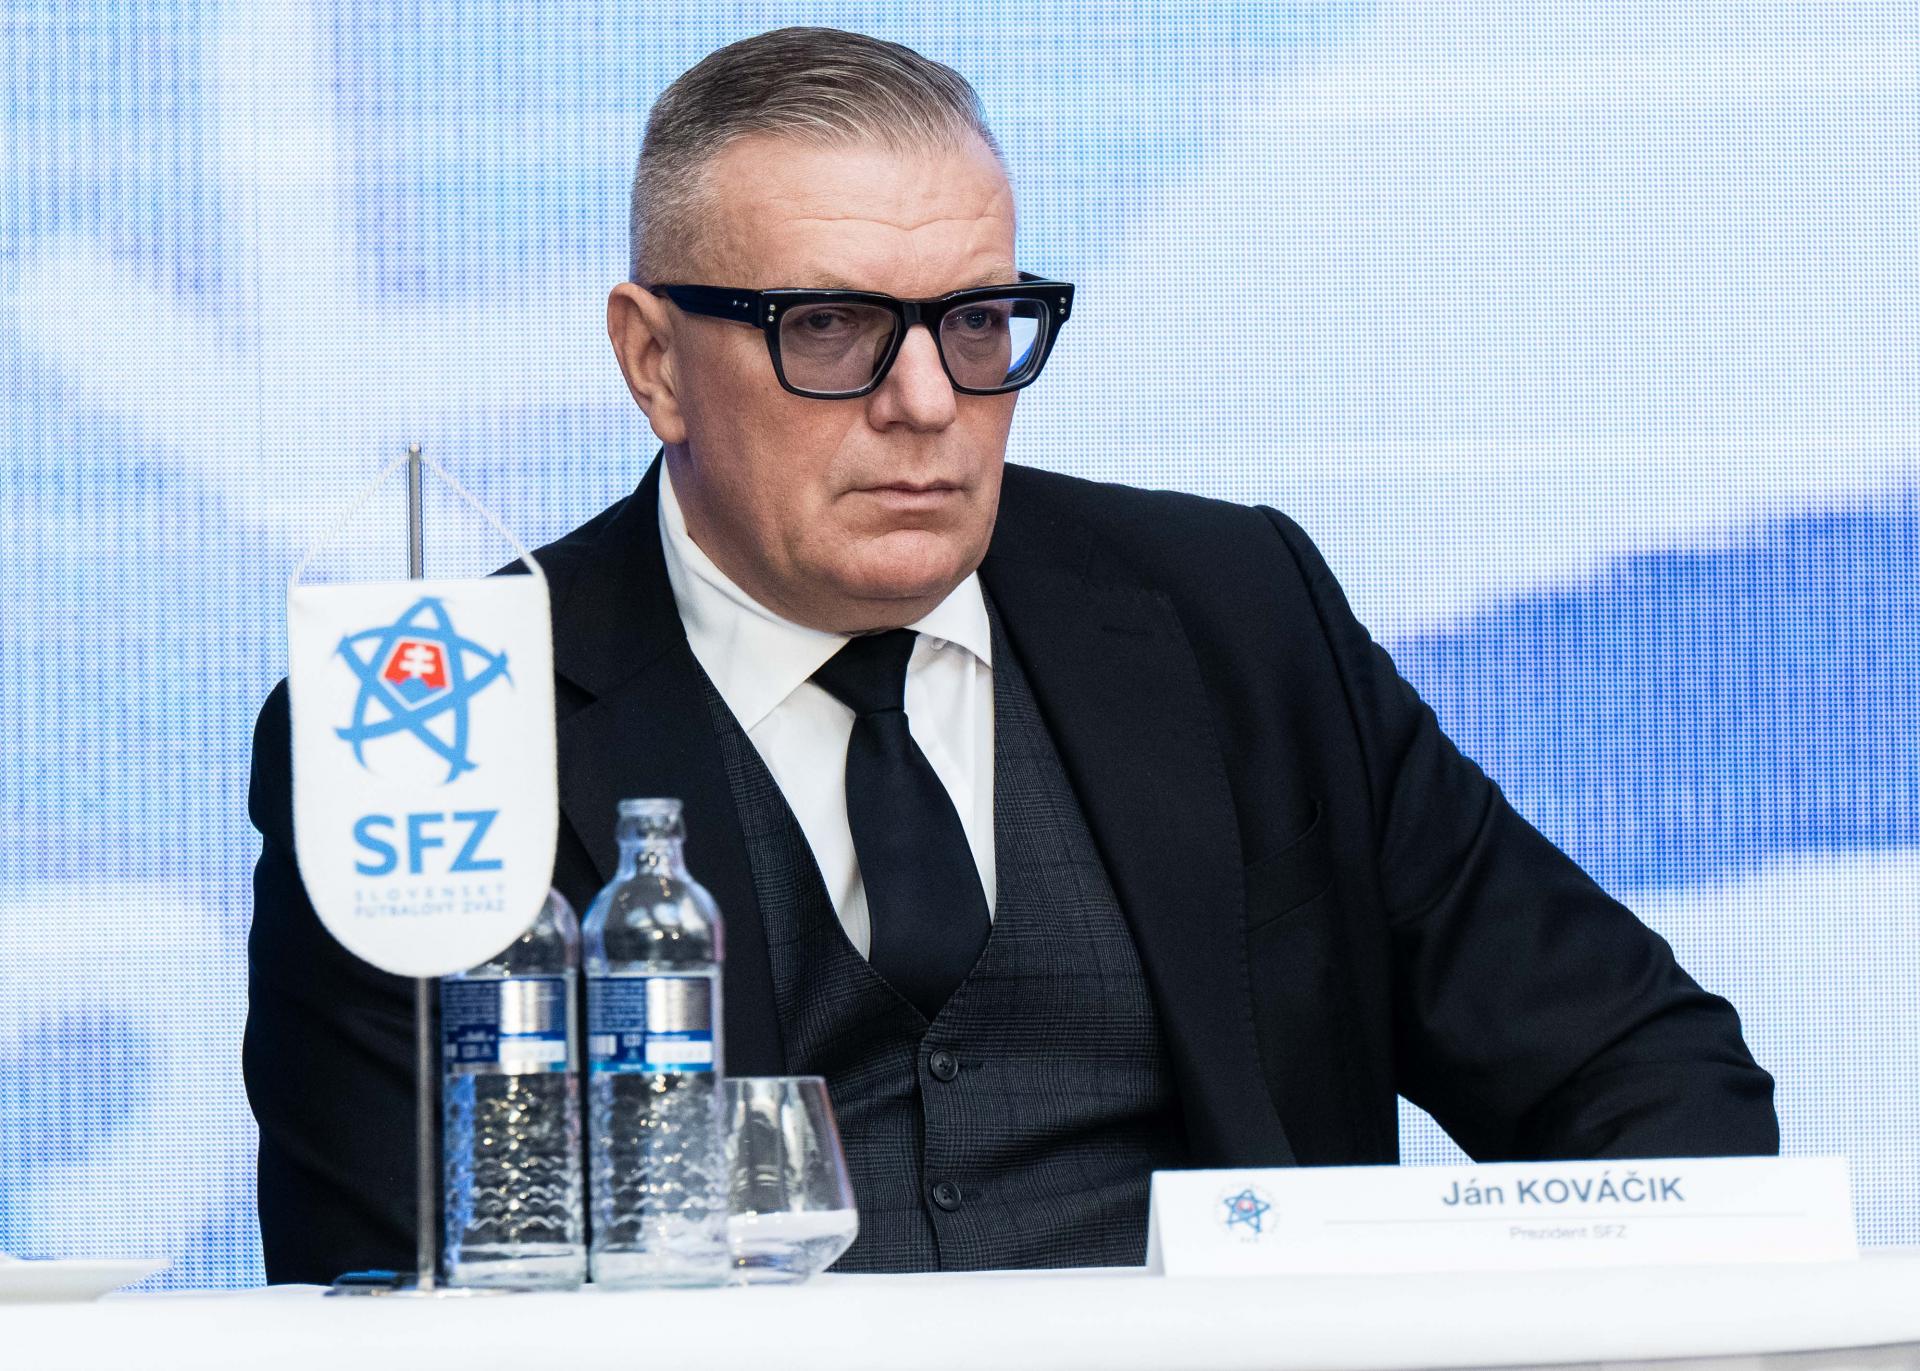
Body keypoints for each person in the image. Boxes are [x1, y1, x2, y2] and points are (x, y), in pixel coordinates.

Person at [243, 26, 1777, 1285]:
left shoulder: (1234, 612)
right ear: (655, 361)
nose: (925, 400)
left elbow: (1650, 1077)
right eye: (830, 328)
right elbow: (376, 1283)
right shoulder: (435, 721)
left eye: (978, 324)